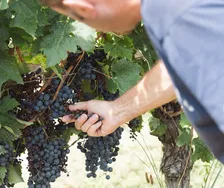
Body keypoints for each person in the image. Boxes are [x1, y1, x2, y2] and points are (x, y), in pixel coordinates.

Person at [38, 0, 224, 163]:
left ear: (83, 8)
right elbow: (186, 60)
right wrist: (117, 111)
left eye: (82, 21)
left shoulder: (185, 17)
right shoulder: (177, 10)